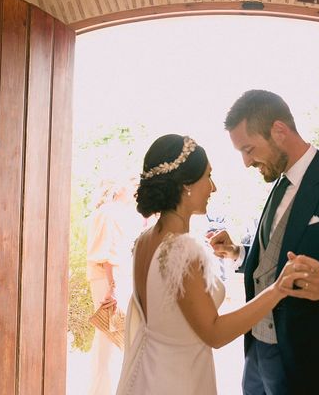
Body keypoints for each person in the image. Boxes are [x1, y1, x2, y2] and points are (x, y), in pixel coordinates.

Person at [209, 89, 319, 394]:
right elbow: (277, 257)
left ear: (279, 131)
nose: (246, 162)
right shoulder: (279, 183)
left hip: (314, 365)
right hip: (257, 355)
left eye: (249, 149)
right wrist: (238, 253)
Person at [115, 134, 304, 395]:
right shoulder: (181, 250)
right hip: (178, 380)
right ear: (185, 185)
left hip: (148, 372)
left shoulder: (146, 240)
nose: (212, 187)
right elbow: (214, 333)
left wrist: (231, 252)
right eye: (208, 176)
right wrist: (277, 291)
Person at [86, 177, 143, 395]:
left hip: (111, 279)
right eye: (133, 188)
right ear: (120, 189)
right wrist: (113, 287)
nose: (136, 193)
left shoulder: (110, 213)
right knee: (108, 340)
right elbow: (108, 253)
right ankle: (101, 390)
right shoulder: (109, 213)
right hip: (108, 280)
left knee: (110, 339)